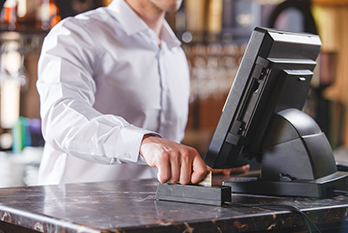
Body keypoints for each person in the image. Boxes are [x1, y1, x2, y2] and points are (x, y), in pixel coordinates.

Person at [37, 0, 249, 186]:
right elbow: (61, 118)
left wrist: (200, 170)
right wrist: (143, 142)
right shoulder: (76, 34)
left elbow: (165, 157)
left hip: (147, 218)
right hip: (75, 217)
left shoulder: (174, 53)